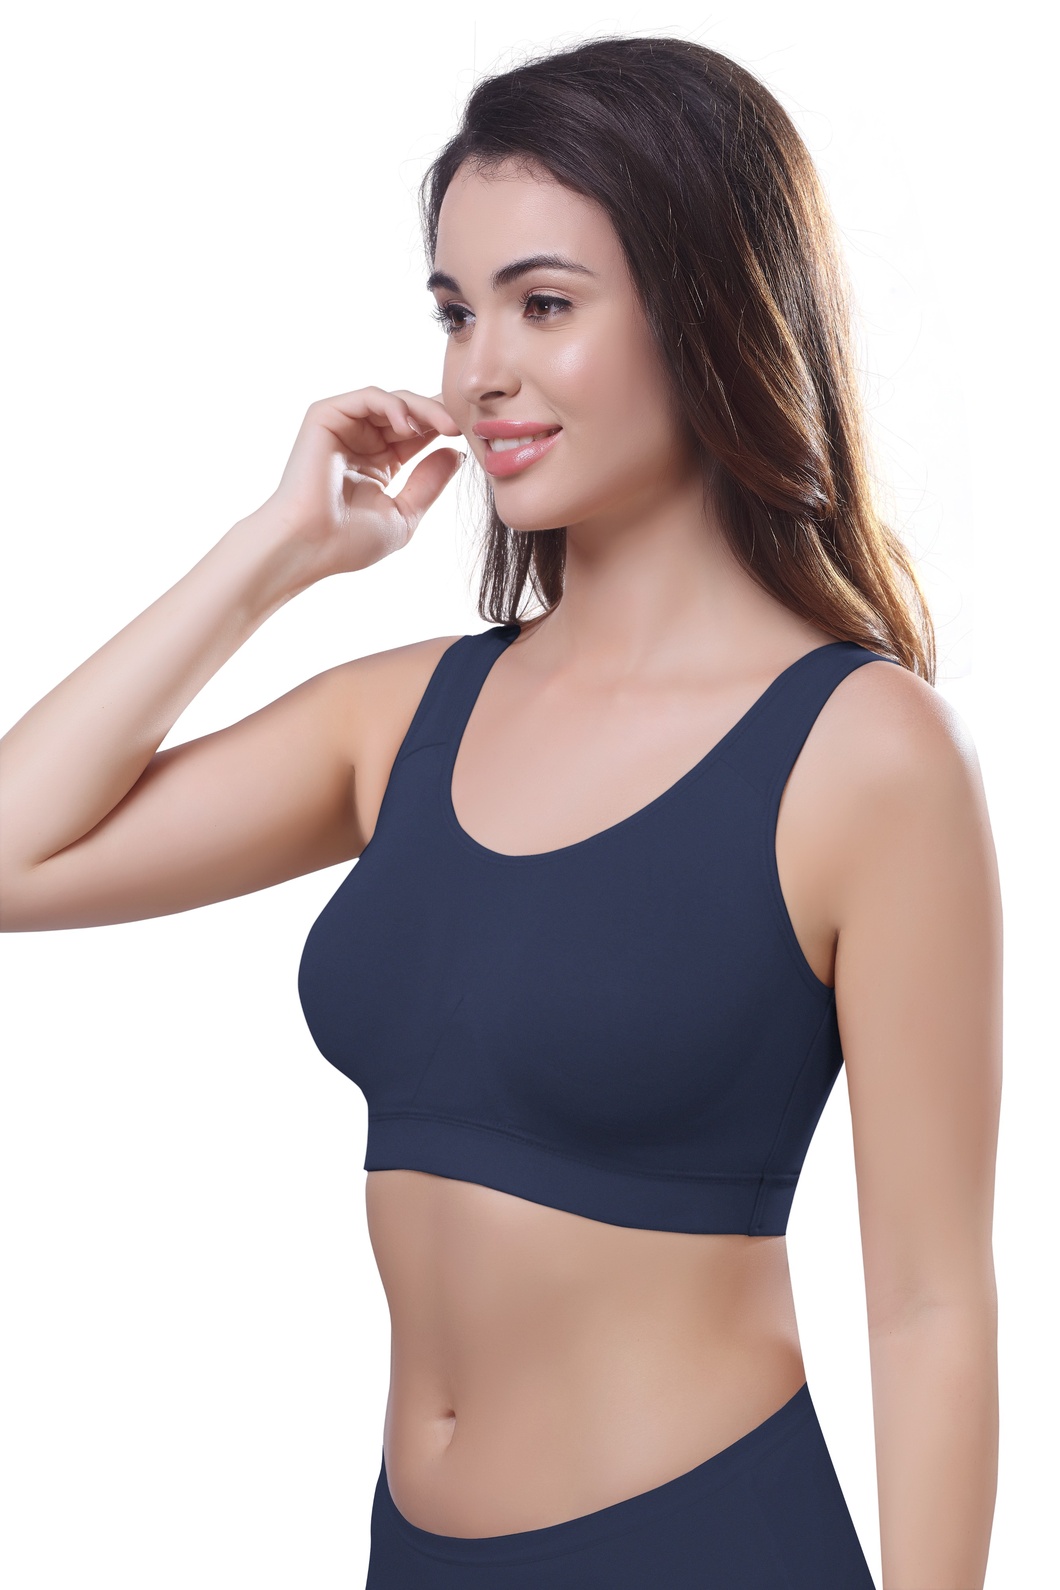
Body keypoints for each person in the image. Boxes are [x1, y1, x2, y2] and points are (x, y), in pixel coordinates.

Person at [0, 33, 1000, 1590]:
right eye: (456, 311)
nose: (479, 373)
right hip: (414, 1554)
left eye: (545, 304)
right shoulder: (404, 715)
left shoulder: (866, 754)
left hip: (705, 1548)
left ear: (711, 310)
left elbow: (932, 1302)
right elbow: (15, 855)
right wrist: (273, 553)